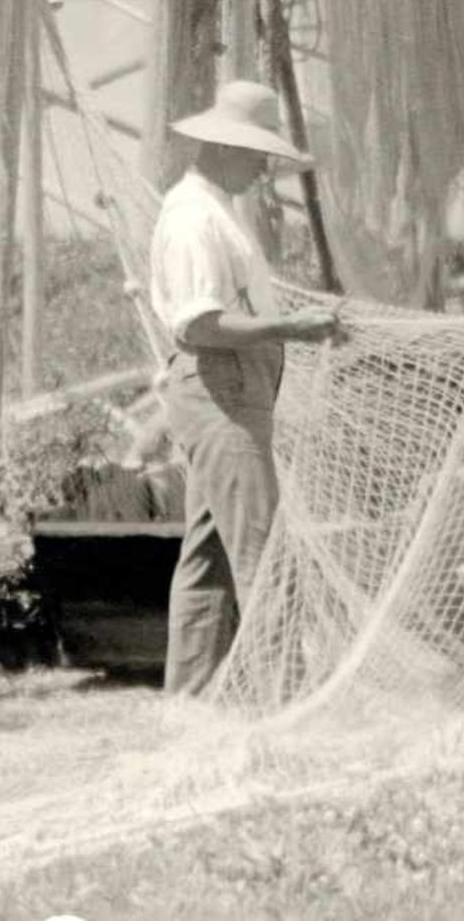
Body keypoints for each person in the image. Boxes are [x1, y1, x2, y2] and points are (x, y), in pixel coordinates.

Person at [149, 81, 342, 696]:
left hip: (236, 383)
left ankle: (193, 702)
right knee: (265, 554)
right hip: (221, 384)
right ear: (225, 147)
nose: (263, 168)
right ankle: (279, 704)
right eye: (258, 155)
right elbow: (201, 324)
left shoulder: (214, 212)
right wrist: (294, 327)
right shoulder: (192, 218)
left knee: (207, 559)